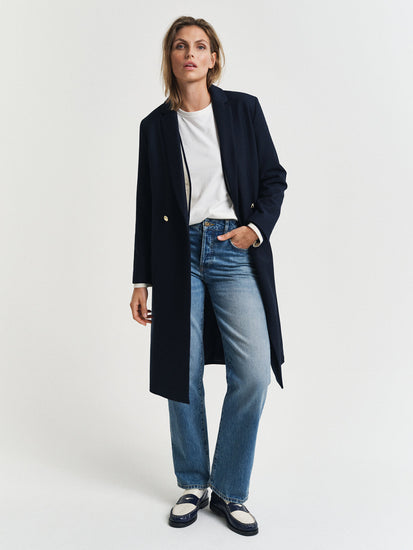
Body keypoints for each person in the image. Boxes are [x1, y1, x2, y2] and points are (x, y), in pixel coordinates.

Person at [130, 16, 287, 536]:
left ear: (213, 57)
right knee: (182, 368)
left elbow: (274, 178)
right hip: (178, 256)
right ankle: (193, 482)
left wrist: (254, 229)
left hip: (232, 248)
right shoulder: (155, 126)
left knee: (254, 371)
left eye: (200, 46)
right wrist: (141, 280)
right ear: (171, 58)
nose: (190, 54)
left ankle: (229, 488)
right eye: (181, 46)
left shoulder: (243, 109)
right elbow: (147, 205)